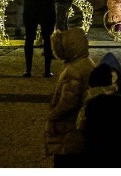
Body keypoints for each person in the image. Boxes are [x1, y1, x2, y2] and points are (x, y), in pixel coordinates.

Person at [46, 28, 96, 167]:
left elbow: (68, 102)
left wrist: (52, 115)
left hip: (68, 130)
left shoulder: (73, 70)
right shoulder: (86, 62)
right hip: (76, 129)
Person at [20, 0, 59, 77]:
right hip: (46, 9)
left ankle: (28, 70)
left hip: (30, 9)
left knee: (29, 40)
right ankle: (47, 70)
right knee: (47, 40)